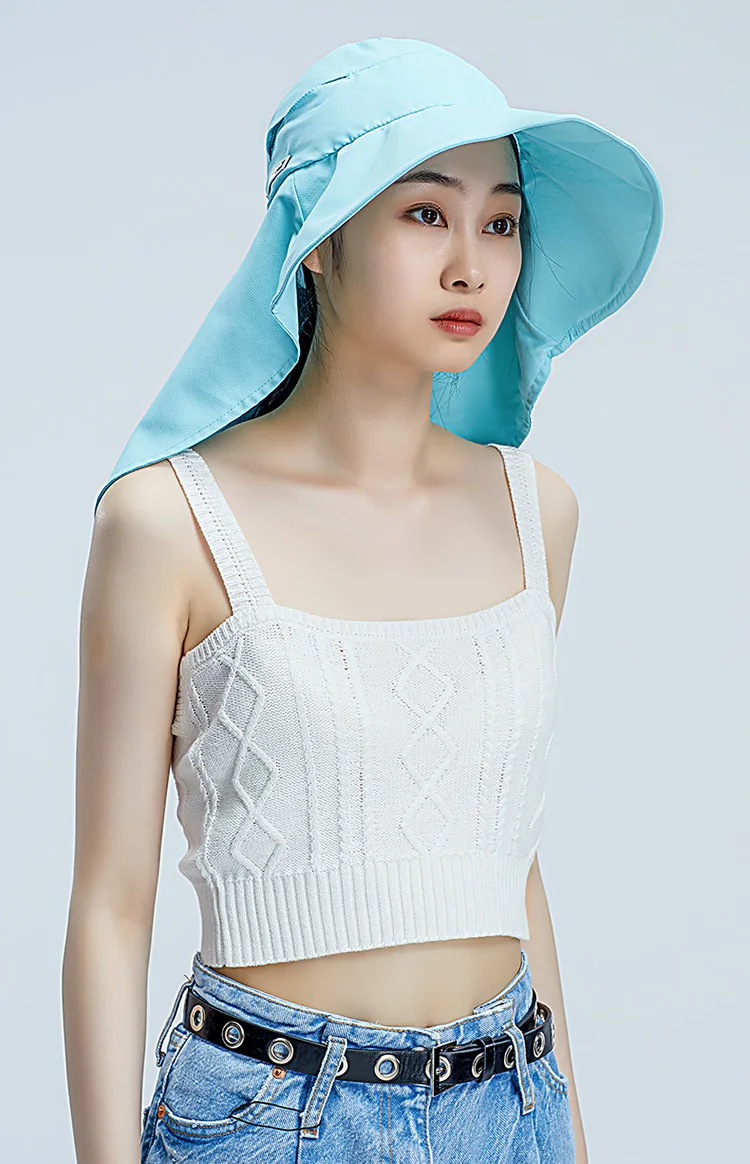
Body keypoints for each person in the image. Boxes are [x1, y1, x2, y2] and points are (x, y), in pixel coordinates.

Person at [62, 36, 663, 1164]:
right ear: (319, 241)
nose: (472, 266)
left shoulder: (539, 512)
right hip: (267, 1115)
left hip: (514, 1104)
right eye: (425, 214)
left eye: (502, 223)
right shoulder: (166, 522)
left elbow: (507, 858)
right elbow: (109, 904)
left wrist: (570, 1136)